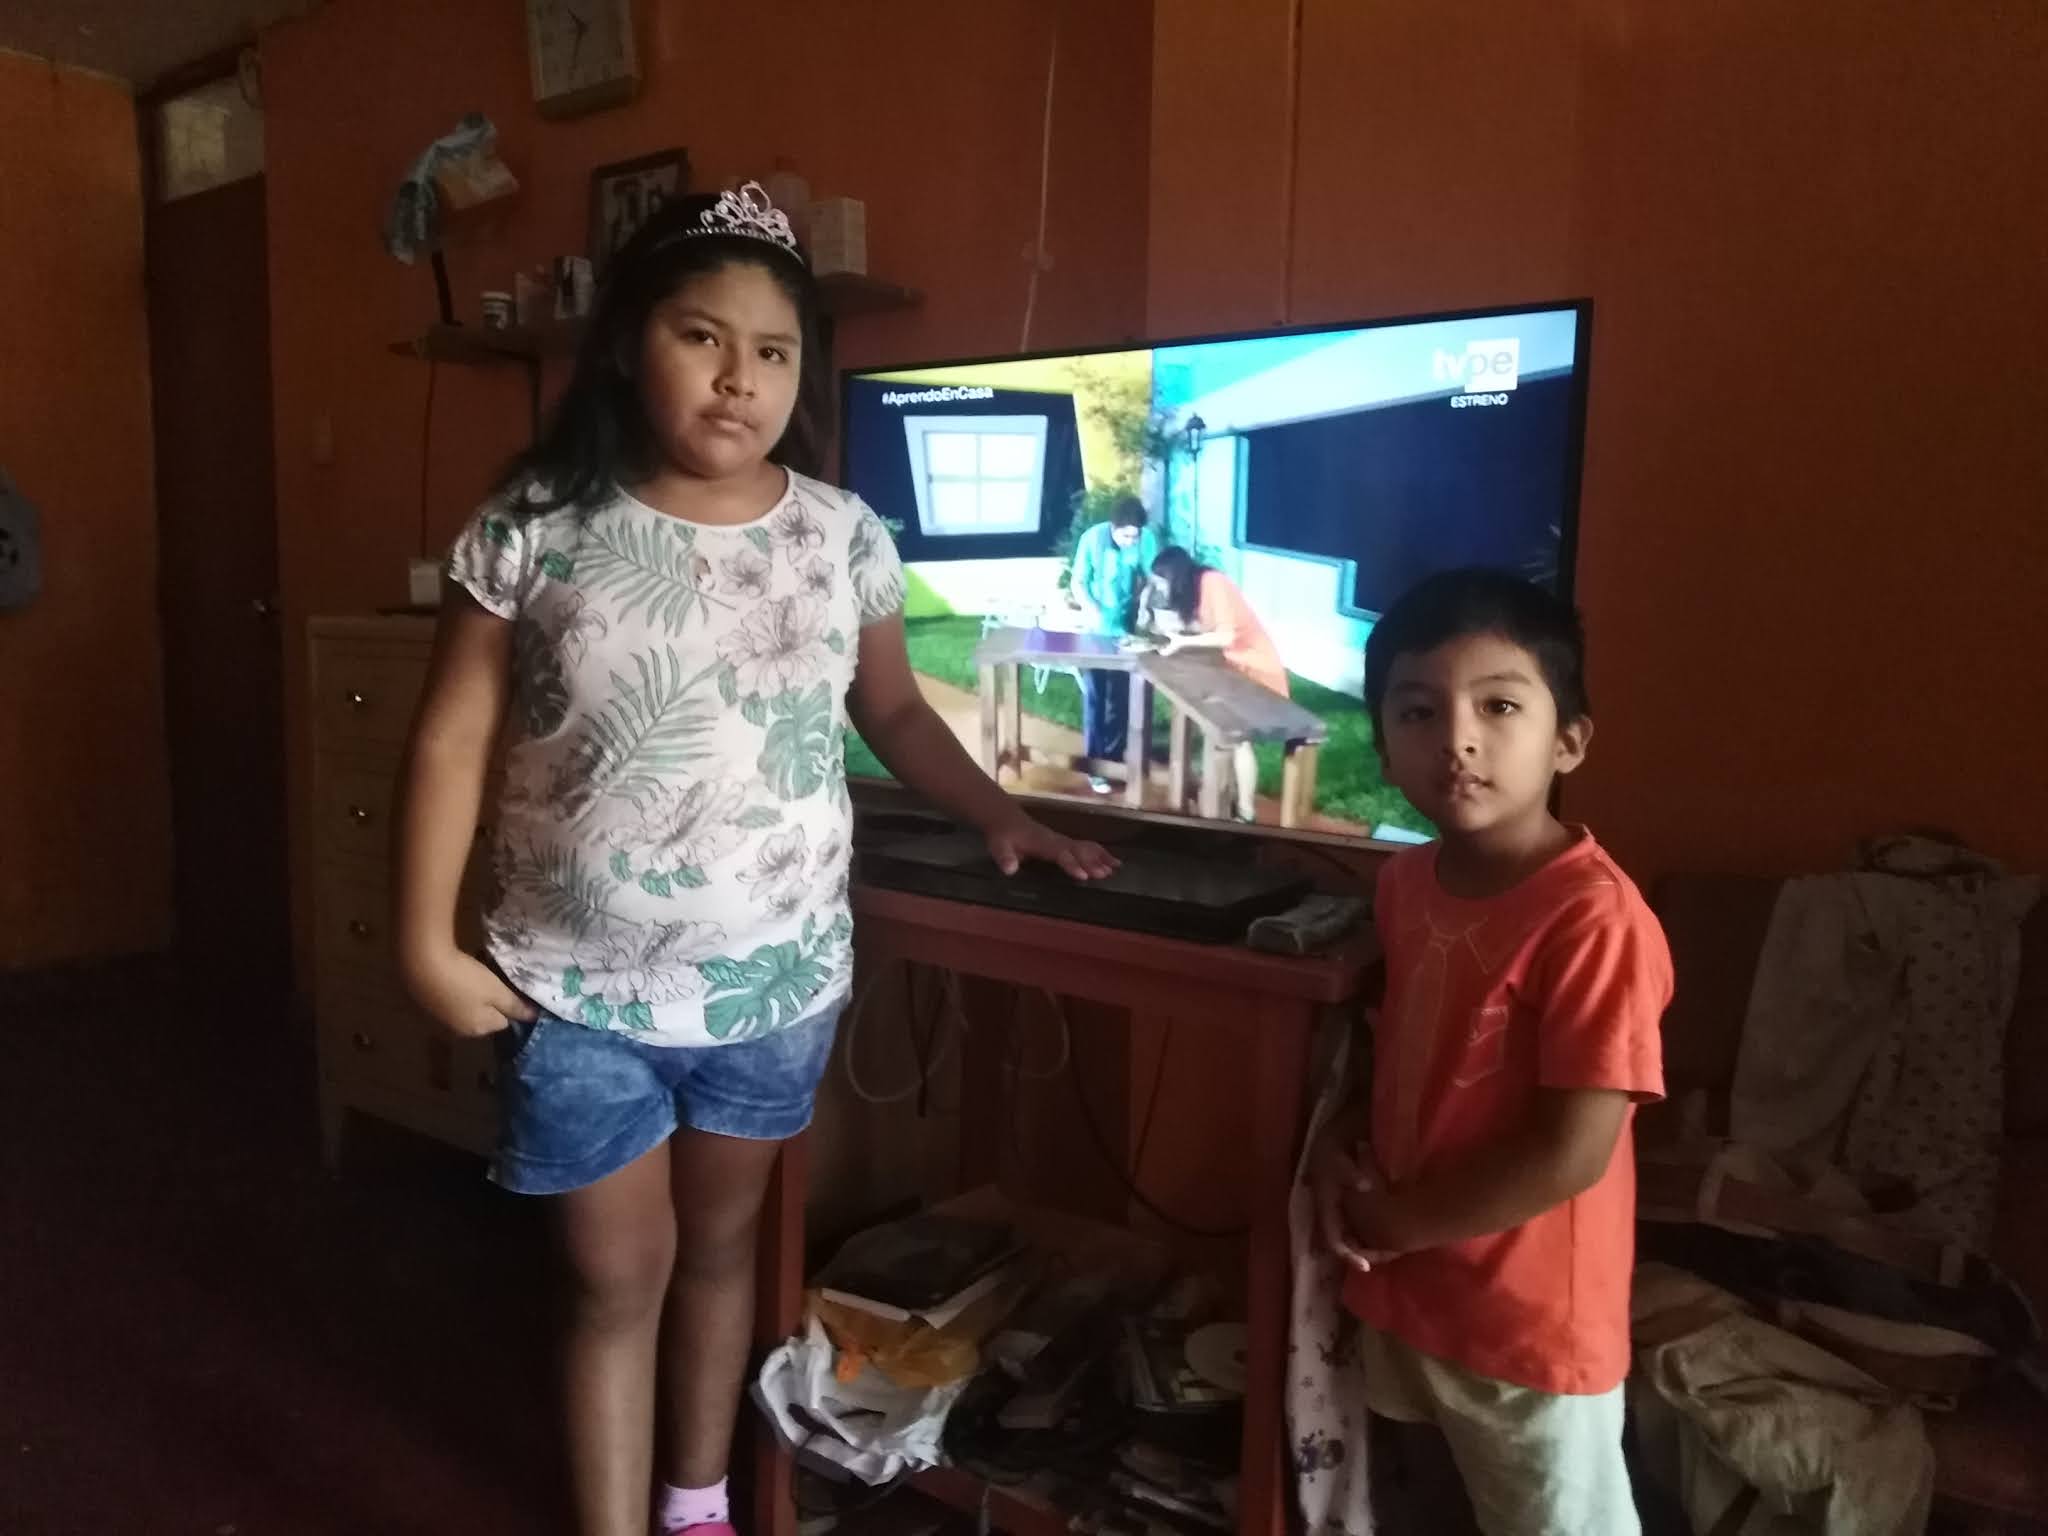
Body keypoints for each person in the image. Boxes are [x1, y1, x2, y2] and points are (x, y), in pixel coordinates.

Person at [392, 182, 1113, 1536]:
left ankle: (696, 1501)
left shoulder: (840, 536)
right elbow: (449, 739)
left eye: (773, 351)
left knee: (721, 1252)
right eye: (701, 337)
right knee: (615, 1279)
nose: (739, 378)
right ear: (628, 346)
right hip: (575, 990)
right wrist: (423, 942)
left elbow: (895, 712)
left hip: (772, 987)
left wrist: (997, 813)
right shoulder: (536, 522)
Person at [1309, 568, 1670, 1536]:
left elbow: (1572, 1152)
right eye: (1417, 711)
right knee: (1424, 1503)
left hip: (1525, 1324)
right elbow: (1414, 1057)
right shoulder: (1405, 884)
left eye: (1498, 706)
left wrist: (1397, 1221)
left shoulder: (1593, 920)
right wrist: (1348, 1138)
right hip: (1408, 1290)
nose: (1456, 739)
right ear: (1383, 746)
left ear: (1569, 740)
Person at [1149, 545, 1287, 821]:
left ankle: (1246, 812)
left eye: (1161, 582)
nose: (1161, 589)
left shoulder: (1213, 583)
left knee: (1238, 740)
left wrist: (1182, 641)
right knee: (1219, 731)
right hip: (1234, 667)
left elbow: (1225, 636)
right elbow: (1207, 629)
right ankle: (1221, 800)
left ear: (1174, 575)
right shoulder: (1196, 590)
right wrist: (1173, 633)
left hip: (1255, 669)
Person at [1067, 495, 1159, 791]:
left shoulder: (1146, 540)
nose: (1131, 541)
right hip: (1095, 631)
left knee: (1122, 697)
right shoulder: (1092, 539)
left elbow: (1151, 578)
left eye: (1135, 536)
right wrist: (1091, 609)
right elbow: (1078, 582)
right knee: (1095, 697)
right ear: (1113, 527)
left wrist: (1144, 605)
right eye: (1126, 536)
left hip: (1126, 631)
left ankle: (1115, 759)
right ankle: (1096, 766)